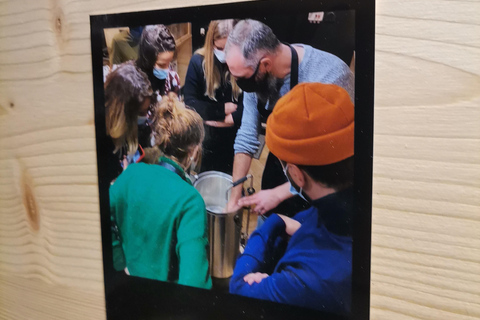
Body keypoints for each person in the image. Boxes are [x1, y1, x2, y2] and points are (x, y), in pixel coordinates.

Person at [229, 83, 354, 315]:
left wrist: (272, 224)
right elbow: (309, 225)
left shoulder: (309, 280)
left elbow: (238, 288)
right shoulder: (342, 203)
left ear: (296, 174)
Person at [224, 19, 354, 218]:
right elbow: (247, 135)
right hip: (279, 169)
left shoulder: (330, 76)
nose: (240, 84)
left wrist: (278, 194)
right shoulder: (255, 75)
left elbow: (338, 163)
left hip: (322, 191)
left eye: (242, 78)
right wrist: (235, 195)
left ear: (265, 64)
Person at [109, 95, 212, 289]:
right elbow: (195, 283)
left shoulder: (130, 174)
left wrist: (120, 261)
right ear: (193, 152)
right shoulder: (190, 201)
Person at [183, 19, 243, 174]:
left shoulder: (243, 61)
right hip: (206, 138)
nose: (224, 54)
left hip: (234, 138)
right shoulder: (197, 62)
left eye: (228, 48)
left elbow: (248, 105)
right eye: (219, 48)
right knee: (206, 175)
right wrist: (223, 110)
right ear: (211, 43)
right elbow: (190, 103)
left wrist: (215, 118)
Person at [104, 62, 154, 183]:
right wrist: (125, 179)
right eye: (141, 112)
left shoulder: (140, 128)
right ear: (124, 114)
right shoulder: (104, 144)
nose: (146, 117)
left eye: (147, 110)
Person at [136, 25, 181, 103]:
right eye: (161, 65)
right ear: (148, 61)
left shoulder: (172, 79)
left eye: (169, 63)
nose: (167, 70)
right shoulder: (134, 84)